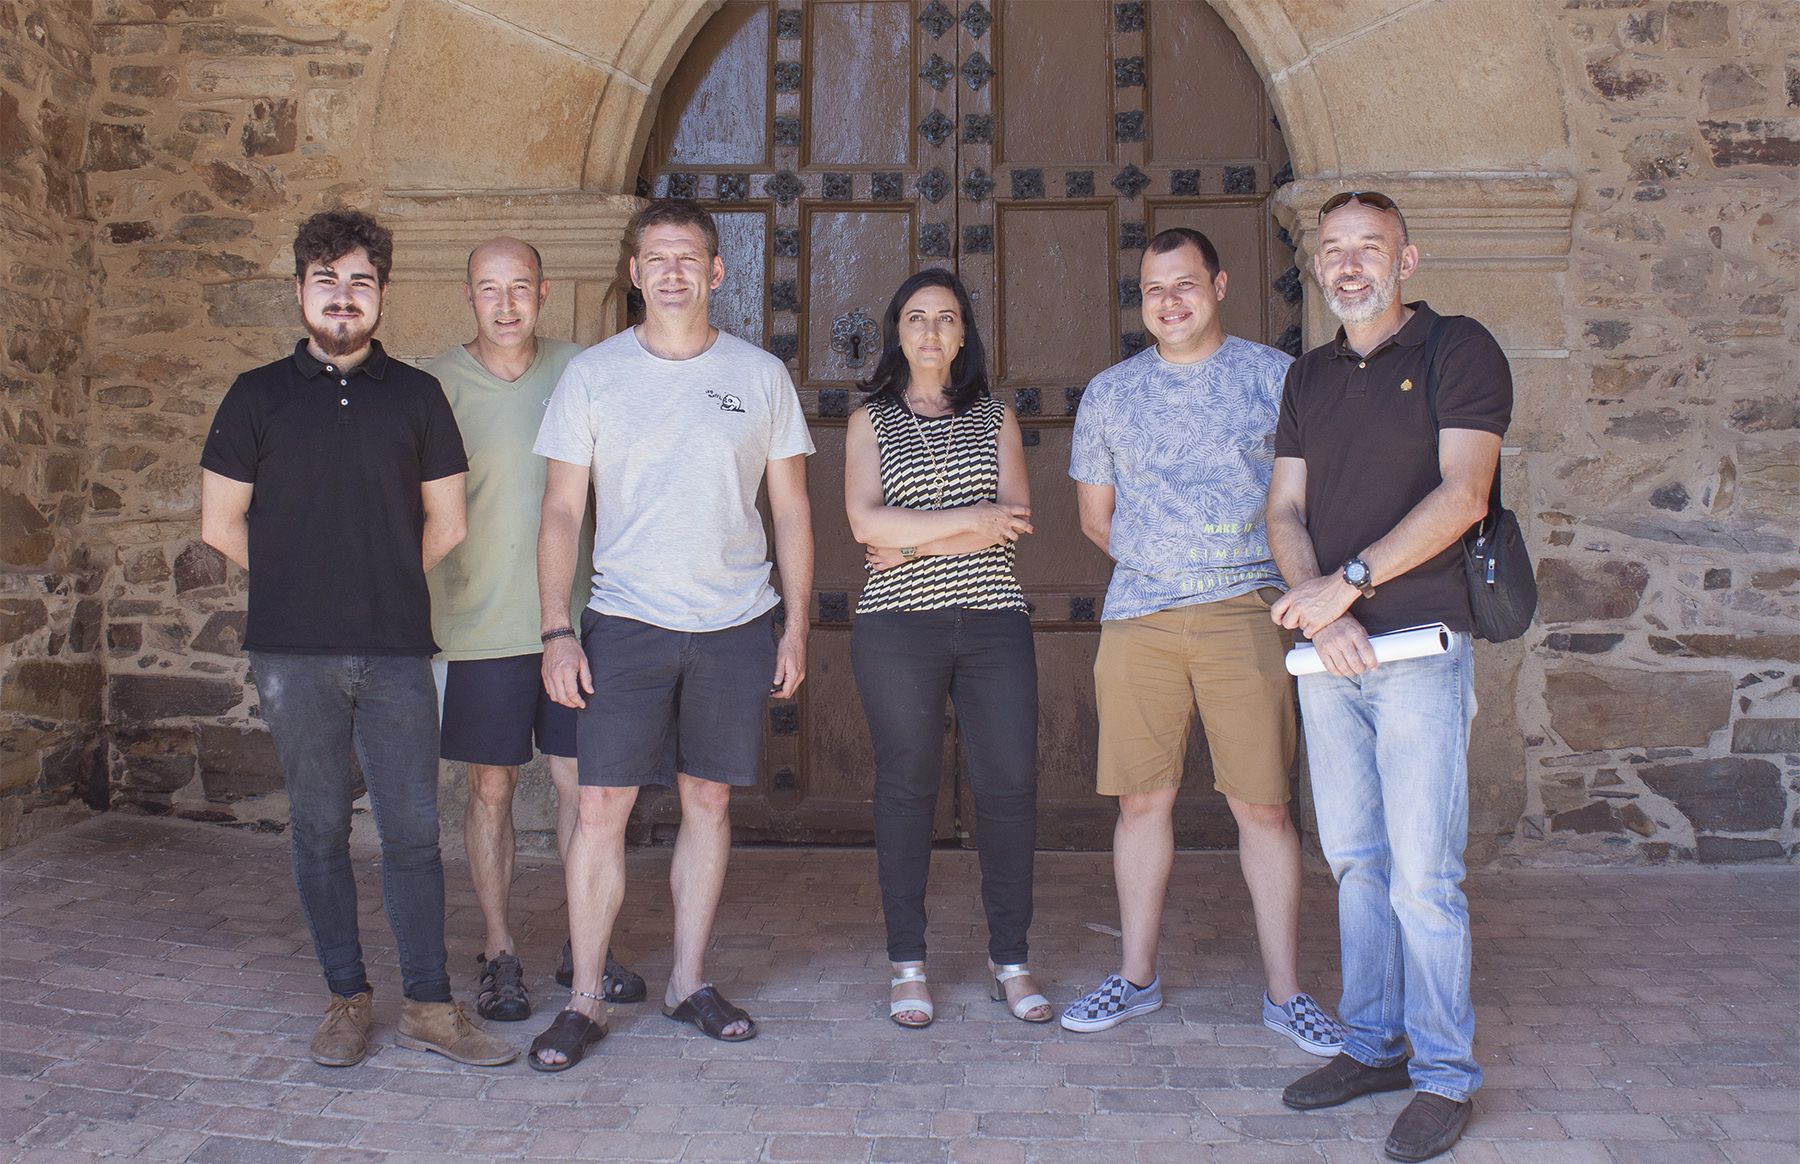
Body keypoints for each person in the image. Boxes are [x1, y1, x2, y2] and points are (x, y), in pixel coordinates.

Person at [198, 208, 515, 1069]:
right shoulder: (254, 396)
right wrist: (307, 579)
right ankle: (346, 996)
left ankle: (429, 1007)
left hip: (395, 651)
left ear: (382, 296)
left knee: (413, 833)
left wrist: (372, 577)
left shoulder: (417, 396)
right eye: (327, 281)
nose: (344, 297)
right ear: (301, 291)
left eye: (360, 282)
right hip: (291, 654)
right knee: (319, 827)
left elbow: (445, 523)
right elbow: (221, 523)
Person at [525, 198, 815, 1071]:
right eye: (658, 258)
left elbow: (793, 510)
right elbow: (562, 510)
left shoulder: (760, 376)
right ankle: (583, 998)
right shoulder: (593, 376)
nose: (675, 273)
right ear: (635, 273)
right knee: (602, 807)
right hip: (625, 622)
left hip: (734, 624)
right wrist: (555, 630)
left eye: (690, 258)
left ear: (717, 271)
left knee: (709, 802)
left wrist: (795, 627)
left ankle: (689, 982)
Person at [1062, 228, 1346, 1058]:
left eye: (1184, 284)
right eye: (1153, 290)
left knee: (1260, 804)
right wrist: (1173, 565)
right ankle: (1137, 976)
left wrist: (1233, 573)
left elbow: (1308, 498)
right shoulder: (1111, 392)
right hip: (1141, 616)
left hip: (1249, 613)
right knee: (1139, 801)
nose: (1169, 302)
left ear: (1219, 284)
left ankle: (1286, 994)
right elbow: (1093, 516)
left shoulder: (1274, 378)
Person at [1267, 191, 1510, 1162]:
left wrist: (1351, 584)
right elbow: (1284, 509)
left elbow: (1467, 493)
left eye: (1370, 246)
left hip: (1418, 650)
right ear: (1317, 266)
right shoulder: (1308, 377)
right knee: (1357, 864)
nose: (1351, 263)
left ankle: (1445, 1073)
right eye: (1334, 249)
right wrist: (1318, 606)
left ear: (1407, 260)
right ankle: (1371, 1043)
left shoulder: (1458, 351)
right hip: (1331, 657)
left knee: (1423, 878)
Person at [425, 237, 645, 1024]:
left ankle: (586, 951)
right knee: (489, 788)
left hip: (577, 623)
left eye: (521, 287)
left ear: (545, 293)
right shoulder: (433, 388)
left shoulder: (583, 371)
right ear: (469, 295)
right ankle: (499, 950)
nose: (507, 304)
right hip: (477, 623)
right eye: (490, 289)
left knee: (582, 791)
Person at [844, 269, 1048, 1029]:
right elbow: (865, 525)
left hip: (994, 622)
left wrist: (912, 535)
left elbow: (1017, 517)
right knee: (906, 790)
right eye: (917, 318)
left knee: (1010, 791)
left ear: (965, 334)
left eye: (947, 319)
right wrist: (970, 521)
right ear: (898, 331)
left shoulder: (996, 416)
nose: (931, 331)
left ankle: (1013, 962)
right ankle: (908, 964)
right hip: (897, 629)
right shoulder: (870, 421)